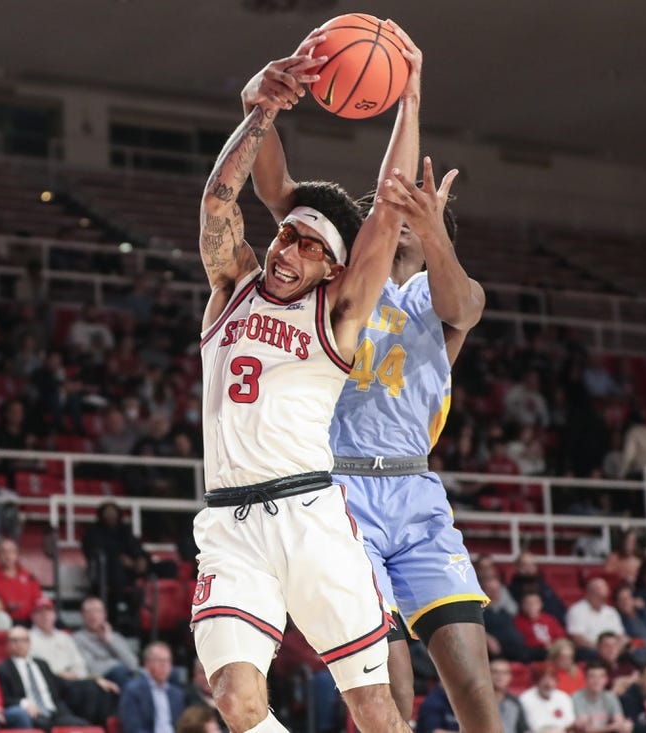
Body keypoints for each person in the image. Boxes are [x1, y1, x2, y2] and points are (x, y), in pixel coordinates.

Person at [247, 22, 490, 730]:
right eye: (401, 209)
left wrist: (436, 230)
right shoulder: (343, 283)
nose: (408, 212)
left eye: (424, 209)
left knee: (475, 684)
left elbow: (465, 302)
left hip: (415, 490)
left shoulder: (441, 304)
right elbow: (278, 193)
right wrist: (259, 108)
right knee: (390, 686)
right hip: (339, 489)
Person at [190, 28, 424, 733]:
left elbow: (386, 210)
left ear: (334, 267)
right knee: (235, 701)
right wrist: (259, 109)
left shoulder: (342, 315)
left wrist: (409, 98)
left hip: (312, 519)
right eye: (289, 234)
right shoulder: (234, 284)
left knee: (375, 709)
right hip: (231, 524)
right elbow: (216, 207)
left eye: (313, 246)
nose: (290, 250)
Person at [0, 628, 89, 731]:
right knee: (44, 724)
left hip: (54, 710)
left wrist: (91, 681)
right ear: (8, 644)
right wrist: (24, 704)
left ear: (29, 643)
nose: (19, 644)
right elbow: (4, 698)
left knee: (81, 724)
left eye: (23, 640)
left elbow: (60, 684)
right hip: (32, 712)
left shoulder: (42, 664)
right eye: (15, 640)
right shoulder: (2, 669)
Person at [72, 597, 139, 687]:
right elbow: (90, 667)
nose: (93, 616)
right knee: (122, 674)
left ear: (104, 615)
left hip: (123, 674)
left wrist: (110, 641)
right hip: (101, 678)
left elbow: (133, 664)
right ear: (83, 616)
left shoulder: (114, 636)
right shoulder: (77, 638)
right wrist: (116, 664)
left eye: (97, 611)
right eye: (89, 612)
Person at [117, 642, 183, 733]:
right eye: (159, 661)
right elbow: (132, 728)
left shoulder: (177, 694)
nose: (164, 665)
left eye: (167, 661)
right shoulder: (133, 690)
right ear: (147, 664)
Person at [565, 578, 626, 659]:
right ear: (589, 593)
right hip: (591, 650)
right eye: (599, 595)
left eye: (604, 597)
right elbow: (577, 639)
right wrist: (602, 649)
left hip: (613, 649)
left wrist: (620, 645)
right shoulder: (577, 610)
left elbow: (620, 635)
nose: (602, 599)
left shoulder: (611, 611)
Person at [0, 539, 42, 625]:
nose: (8, 556)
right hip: (5, 623)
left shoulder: (29, 577)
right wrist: (6, 608)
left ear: (17, 554)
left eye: (11, 551)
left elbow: (38, 600)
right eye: (3, 552)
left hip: (30, 621)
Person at [571, 660, 632, 733]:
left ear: (606, 680)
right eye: (592, 676)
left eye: (601, 677)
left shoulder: (610, 697)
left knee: (627, 727)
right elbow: (585, 729)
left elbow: (619, 721)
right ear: (585, 679)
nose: (597, 681)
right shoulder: (577, 697)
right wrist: (612, 727)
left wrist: (623, 726)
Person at [515, 591, 566, 661]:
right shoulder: (517, 622)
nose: (531, 606)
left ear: (541, 604)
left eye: (535, 603)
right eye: (528, 603)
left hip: (553, 649)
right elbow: (521, 643)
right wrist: (543, 646)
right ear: (522, 606)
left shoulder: (550, 619)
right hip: (534, 651)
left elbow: (561, 637)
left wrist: (554, 646)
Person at [489, 659, 531, 733]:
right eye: (495, 672)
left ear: (510, 677)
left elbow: (524, 729)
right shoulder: (478, 702)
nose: (499, 676)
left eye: (504, 673)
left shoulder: (515, 702)